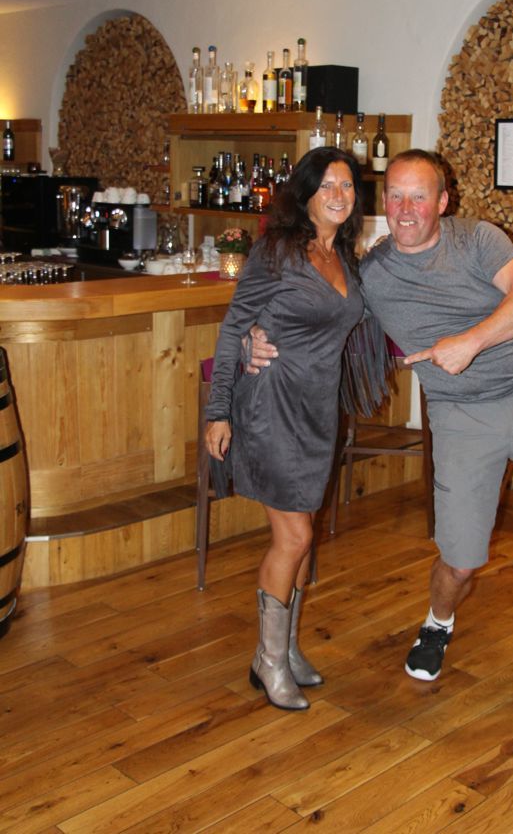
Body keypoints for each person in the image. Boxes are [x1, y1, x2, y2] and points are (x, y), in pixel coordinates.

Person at [249, 148, 513, 696]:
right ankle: (437, 624)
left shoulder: (477, 239)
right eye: (395, 196)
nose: (405, 209)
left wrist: (469, 342)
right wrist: (253, 336)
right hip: (460, 416)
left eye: (419, 196)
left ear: (443, 202)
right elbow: (313, 310)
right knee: (461, 562)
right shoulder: (371, 273)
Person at [205, 146, 364, 711]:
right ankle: (267, 660)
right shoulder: (277, 250)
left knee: (305, 536)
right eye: (327, 186)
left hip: (318, 411)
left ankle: (287, 649)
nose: (339, 195)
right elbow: (233, 327)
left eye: (347, 185)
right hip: (270, 405)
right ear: (305, 194)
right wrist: (218, 410)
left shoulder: (343, 255)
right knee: (293, 537)